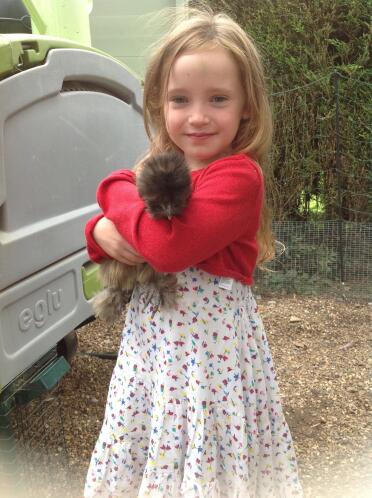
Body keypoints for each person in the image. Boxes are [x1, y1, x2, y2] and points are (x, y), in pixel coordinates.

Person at [84, 6, 303, 498]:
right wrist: (99, 231)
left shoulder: (238, 177)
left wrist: (109, 204)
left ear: (247, 105)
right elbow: (120, 233)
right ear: (159, 103)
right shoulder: (162, 166)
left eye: (218, 99)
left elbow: (165, 248)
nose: (198, 116)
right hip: (151, 366)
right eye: (180, 99)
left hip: (210, 373)